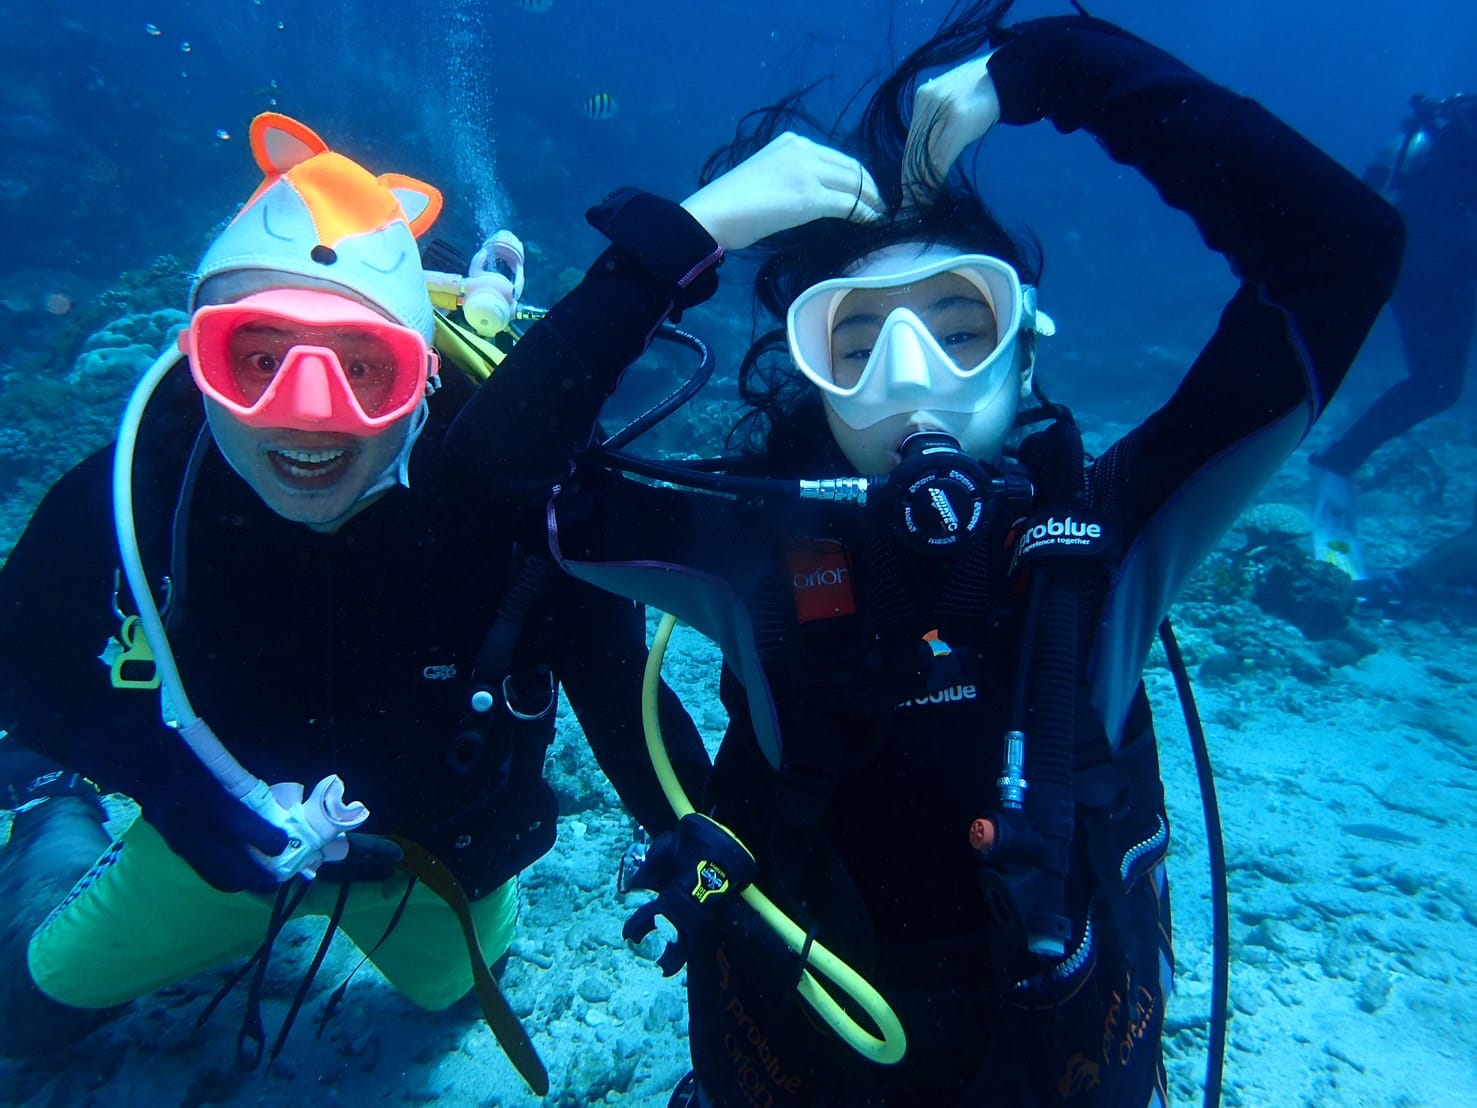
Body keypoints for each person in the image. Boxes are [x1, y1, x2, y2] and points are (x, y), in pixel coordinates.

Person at [446, 3, 1402, 1104]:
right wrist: (684, 235)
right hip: (792, 1062)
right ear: (811, 378)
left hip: (1063, 1059)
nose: (908, 376)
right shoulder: (753, 543)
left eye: (959, 328)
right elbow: (482, 483)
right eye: (853, 338)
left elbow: (1344, 252)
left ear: (1023, 350)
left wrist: (1064, 66)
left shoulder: (1110, 533)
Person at [0, 111, 700, 1086]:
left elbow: (619, 688)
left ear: (420, 380)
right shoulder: (149, 474)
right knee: (21, 1016)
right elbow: (20, 666)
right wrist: (166, 787)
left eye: (363, 365)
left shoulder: (502, 500)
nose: (309, 411)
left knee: (460, 997)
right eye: (257, 354)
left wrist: (687, 833)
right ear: (198, 361)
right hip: (203, 856)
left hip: (433, 868)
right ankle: (52, 814)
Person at [1310, 91, 1477, 578]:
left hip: (1420, 271)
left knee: (1436, 387)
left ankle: (1334, 459)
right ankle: (1335, 461)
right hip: (1432, 275)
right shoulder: (1448, 152)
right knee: (1437, 387)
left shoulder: (1441, 140)